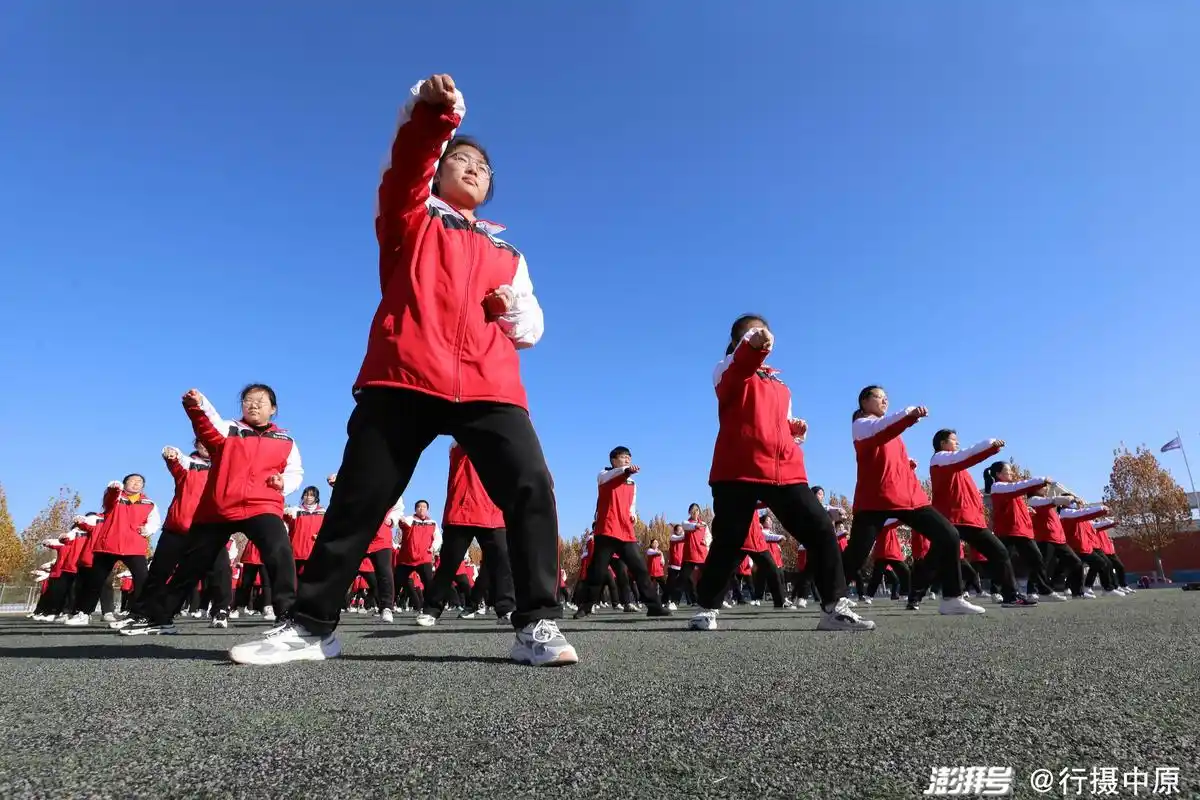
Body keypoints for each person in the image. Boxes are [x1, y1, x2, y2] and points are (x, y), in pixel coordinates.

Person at [227, 74, 570, 667]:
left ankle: (537, 623)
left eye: (482, 168)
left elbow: (532, 328)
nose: (472, 168)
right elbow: (406, 167)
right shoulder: (410, 219)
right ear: (439, 170)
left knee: (531, 487)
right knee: (359, 499)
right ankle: (312, 628)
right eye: (460, 159)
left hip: (490, 385)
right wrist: (435, 119)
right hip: (404, 375)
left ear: (490, 188)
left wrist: (515, 312)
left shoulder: (509, 254)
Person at [696, 315, 873, 632]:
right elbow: (741, 367)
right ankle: (707, 607)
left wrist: (793, 429)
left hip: (784, 468)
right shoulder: (725, 369)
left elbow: (776, 423)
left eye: (764, 330)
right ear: (738, 338)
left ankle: (834, 607)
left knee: (820, 528)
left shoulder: (780, 385)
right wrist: (753, 346)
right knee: (729, 540)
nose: (762, 334)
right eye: (753, 331)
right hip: (738, 468)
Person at [120, 384, 302, 636]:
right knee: (192, 563)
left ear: (273, 409)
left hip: (263, 505)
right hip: (220, 505)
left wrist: (285, 483)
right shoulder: (230, 429)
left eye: (261, 401)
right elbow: (208, 424)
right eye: (248, 400)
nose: (253, 405)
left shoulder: (286, 440)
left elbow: (295, 471)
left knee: (279, 551)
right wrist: (197, 405)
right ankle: (159, 616)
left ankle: (287, 616)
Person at [842, 386, 985, 616]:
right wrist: (909, 414)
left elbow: (888, 458)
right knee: (857, 553)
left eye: (887, 397)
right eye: (880, 397)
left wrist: (907, 464)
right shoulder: (861, 424)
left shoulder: (889, 429)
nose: (885, 400)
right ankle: (832, 597)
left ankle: (952, 597)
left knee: (949, 535)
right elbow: (881, 431)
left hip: (908, 496)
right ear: (864, 401)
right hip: (875, 498)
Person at [923, 429, 1038, 607]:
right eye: (954, 440)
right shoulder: (940, 459)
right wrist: (989, 446)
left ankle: (1010, 596)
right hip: (952, 518)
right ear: (942, 444)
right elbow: (967, 455)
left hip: (970, 520)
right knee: (935, 560)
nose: (957, 443)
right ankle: (920, 595)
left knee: (999, 552)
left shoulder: (960, 469)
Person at [416, 441, 515, 626]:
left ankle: (506, 608)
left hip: (491, 510)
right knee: (448, 562)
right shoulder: (458, 445)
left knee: (501, 560)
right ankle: (431, 609)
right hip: (462, 509)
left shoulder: (500, 443)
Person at [575, 447, 670, 618]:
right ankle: (586, 606)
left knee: (640, 570)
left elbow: (632, 504)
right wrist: (625, 470)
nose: (627, 460)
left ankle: (654, 605)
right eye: (623, 457)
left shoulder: (632, 483)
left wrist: (632, 514)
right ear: (613, 460)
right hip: (607, 530)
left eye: (629, 458)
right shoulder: (604, 475)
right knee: (597, 571)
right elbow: (615, 474)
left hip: (626, 532)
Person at [66, 475, 161, 626]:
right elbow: (108, 499)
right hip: (108, 544)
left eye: (140, 482)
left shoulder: (149, 503)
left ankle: (140, 614)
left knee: (142, 580)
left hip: (134, 546)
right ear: (124, 484)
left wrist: (147, 529)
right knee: (95, 581)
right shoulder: (116, 498)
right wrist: (113, 489)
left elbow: (155, 522)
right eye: (133, 481)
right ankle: (83, 613)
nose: (136, 484)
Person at [983, 463, 1057, 599]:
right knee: (1004, 561)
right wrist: (1040, 480)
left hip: (1021, 530)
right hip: (1007, 530)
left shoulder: (1012, 490)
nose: (1011, 473)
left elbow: (1015, 506)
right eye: (1008, 471)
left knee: (1036, 559)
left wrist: (1027, 511)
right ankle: (996, 590)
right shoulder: (998, 487)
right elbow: (1015, 489)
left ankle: (1041, 591)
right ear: (999, 475)